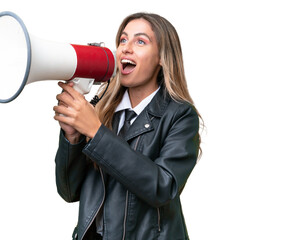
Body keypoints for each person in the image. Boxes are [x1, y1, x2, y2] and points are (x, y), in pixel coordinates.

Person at [53, 12, 202, 240]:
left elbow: (163, 187)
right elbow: (69, 192)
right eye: (123, 40)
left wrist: (96, 132)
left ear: (162, 57)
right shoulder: (102, 111)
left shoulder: (180, 116)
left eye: (140, 41)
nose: (126, 48)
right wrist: (72, 138)